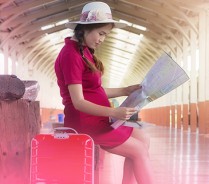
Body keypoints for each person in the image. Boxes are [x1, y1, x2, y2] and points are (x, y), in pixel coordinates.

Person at [54, 2, 154, 184]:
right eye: (101, 33)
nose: (102, 39)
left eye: (105, 36)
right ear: (86, 28)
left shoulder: (84, 52)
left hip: (96, 119)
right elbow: (79, 102)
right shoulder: (71, 55)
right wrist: (113, 112)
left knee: (143, 139)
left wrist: (125, 90)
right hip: (85, 122)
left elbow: (94, 91)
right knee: (138, 151)